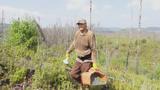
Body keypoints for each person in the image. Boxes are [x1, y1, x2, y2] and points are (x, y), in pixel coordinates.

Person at [66, 19, 97, 83]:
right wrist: (68, 51)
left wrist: (94, 62)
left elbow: (93, 49)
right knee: (73, 74)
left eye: (82, 24)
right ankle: (84, 82)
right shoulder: (77, 33)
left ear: (86, 25)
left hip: (87, 59)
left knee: (85, 75)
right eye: (79, 24)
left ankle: (86, 84)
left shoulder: (90, 34)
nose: (80, 26)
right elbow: (74, 43)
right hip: (79, 59)